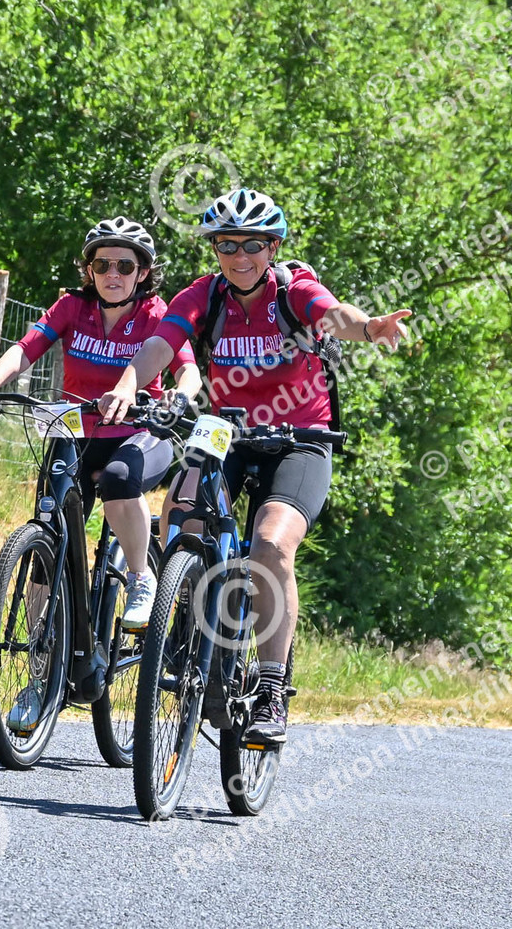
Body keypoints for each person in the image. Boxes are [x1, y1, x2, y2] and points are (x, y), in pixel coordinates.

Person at [98, 188, 411, 746]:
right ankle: (184, 615)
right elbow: (160, 346)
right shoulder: (204, 295)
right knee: (180, 512)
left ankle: (270, 686)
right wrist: (125, 385)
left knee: (270, 544)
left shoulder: (294, 291)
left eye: (251, 245)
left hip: (301, 437)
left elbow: (335, 315)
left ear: (272, 248)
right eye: (226, 245)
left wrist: (369, 328)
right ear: (215, 249)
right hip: (227, 429)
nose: (238, 256)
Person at [0, 217, 203, 732]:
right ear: (89, 269)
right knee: (44, 545)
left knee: (118, 478)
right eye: (103, 264)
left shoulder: (158, 314)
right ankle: (41, 674)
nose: (113, 273)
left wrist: (178, 399)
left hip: (140, 433)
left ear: (142, 273)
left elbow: (187, 371)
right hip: (74, 430)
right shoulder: (72, 307)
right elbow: (26, 348)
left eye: (125, 266)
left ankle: (140, 578)